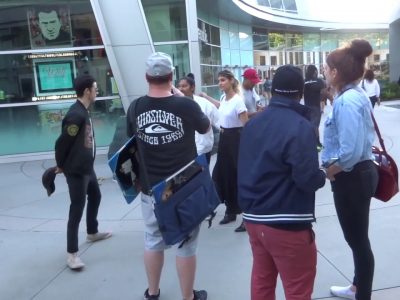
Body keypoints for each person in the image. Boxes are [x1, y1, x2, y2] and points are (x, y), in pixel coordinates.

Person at [126, 52, 210, 300]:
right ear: (172, 77)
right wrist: (183, 98)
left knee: (153, 239)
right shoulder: (185, 105)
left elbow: (130, 141)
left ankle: (153, 293)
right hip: (183, 187)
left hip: (150, 188)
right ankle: (188, 297)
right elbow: (205, 127)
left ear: (146, 77)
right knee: (185, 244)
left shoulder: (136, 107)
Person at [237, 65, 326, 300]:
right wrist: (323, 174)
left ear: (273, 90)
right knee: (298, 289)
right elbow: (307, 179)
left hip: (255, 219)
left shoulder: (253, 124)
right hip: (287, 221)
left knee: (262, 282)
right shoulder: (300, 126)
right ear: (300, 93)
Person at [322, 39, 379, 300]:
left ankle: (362, 294)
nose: (324, 72)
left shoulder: (346, 102)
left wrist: (331, 170)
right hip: (359, 175)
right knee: (358, 239)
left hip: (351, 177)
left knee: (357, 241)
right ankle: (358, 287)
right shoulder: (355, 96)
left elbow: (350, 152)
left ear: (335, 72)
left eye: (326, 68)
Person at [55, 74, 112, 270]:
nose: (97, 92)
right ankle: (72, 255)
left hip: (87, 168)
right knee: (76, 209)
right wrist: (61, 165)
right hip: (77, 171)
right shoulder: (76, 115)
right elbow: (62, 143)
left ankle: (92, 232)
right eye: (95, 88)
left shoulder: (83, 111)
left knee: (95, 196)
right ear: (87, 91)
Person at [200, 70, 248, 232]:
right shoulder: (224, 99)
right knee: (223, 175)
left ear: (230, 81)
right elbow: (221, 107)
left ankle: (247, 217)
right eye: (219, 80)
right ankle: (231, 209)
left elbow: (245, 125)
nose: (220, 83)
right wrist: (206, 97)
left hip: (237, 140)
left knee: (239, 177)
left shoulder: (238, 101)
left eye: (222, 80)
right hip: (225, 140)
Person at [177, 73, 219, 164]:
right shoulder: (175, 105)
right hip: (183, 152)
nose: (180, 89)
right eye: (179, 86)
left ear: (192, 87)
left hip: (202, 150)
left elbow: (218, 120)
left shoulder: (204, 103)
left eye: (184, 86)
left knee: (202, 176)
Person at [304, 64, 326, 150]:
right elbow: (324, 93)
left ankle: (313, 144)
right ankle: (317, 145)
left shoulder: (304, 81)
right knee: (315, 126)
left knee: (310, 126)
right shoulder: (319, 81)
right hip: (315, 107)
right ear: (315, 71)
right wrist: (329, 99)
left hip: (307, 107)